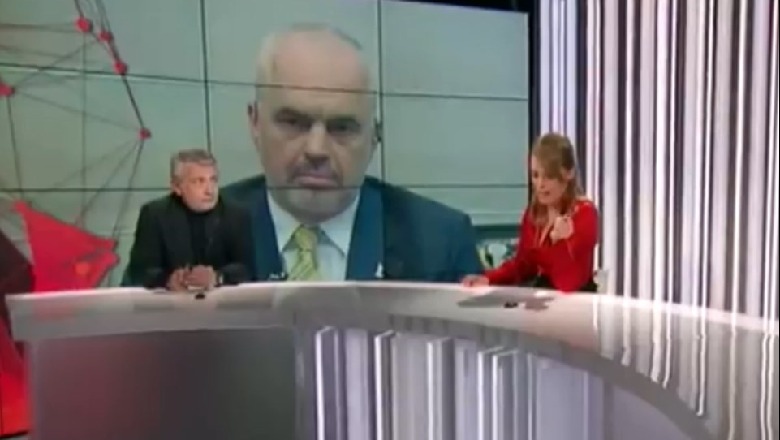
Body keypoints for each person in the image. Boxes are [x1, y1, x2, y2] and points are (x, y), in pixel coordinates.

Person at [222, 23, 482, 282]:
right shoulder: (204, 229)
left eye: (342, 128)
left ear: (374, 137)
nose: (316, 150)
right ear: (255, 122)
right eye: (293, 122)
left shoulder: (442, 243)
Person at [462, 133, 599, 292]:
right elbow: (522, 266)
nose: (540, 184)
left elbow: (567, 284)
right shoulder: (534, 214)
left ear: (569, 173)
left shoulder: (585, 214)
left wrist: (561, 241)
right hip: (543, 295)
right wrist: (488, 279)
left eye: (549, 176)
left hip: (576, 300)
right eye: (535, 175)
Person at [123, 149, 254, 290]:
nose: (210, 190)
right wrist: (168, 280)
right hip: (169, 301)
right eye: (199, 181)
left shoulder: (236, 215)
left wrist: (218, 277)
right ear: (177, 187)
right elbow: (141, 271)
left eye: (213, 180)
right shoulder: (154, 215)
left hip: (224, 302)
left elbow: (248, 269)